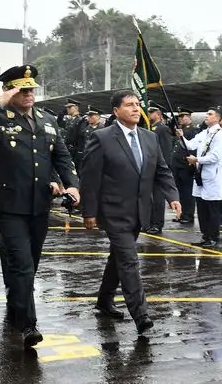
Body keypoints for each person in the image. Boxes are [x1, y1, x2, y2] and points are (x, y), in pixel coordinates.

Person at [0, 64, 79, 348]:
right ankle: (28, 324)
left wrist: (71, 184)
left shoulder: (47, 119)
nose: (28, 94)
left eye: (31, 89)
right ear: (9, 91)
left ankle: (15, 298)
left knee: (29, 260)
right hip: (8, 201)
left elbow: (60, 156)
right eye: (22, 89)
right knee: (22, 262)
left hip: (39, 202)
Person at [80, 91, 180, 333]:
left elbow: (162, 170)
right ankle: (140, 314)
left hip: (139, 210)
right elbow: (90, 177)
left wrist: (173, 197)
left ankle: (104, 301)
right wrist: (89, 212)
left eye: (138, 105)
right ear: (116, 111)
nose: (136, 109)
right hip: (113, 211)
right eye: (130, 105)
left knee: (118, 258)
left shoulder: (149, 138)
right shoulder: (102, 137)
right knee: (129, 260)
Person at [185, 107, 222, 248]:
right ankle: (205, 236)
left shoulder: (221, 135)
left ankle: (213, 237)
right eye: (207, 113)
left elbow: (215, 157)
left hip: (212, 175)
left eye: (210, 114)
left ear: (217, 118)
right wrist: (181, 136)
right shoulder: (204, 133)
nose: (206, 116)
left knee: (211, 208)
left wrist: (196, 160)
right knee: (202, 208)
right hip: (200, 175)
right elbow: (191, 144)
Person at [146, 105, 175, 234]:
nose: (149, 115)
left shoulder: (162, 129)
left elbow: (166, 150)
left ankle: (157, 224)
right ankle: (150, 222)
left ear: (158, 114)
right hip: (149, 167)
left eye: (151, 112)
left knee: (158, 198)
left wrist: (163, 169)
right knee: (150, 198)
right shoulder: (150, 128)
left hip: (158, 168)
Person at [171, 108, 196, 224]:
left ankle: (188, 215)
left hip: (186, 166)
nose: (180, 119)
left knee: (187, 193)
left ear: (189, 117)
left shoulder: (193, 130)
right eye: (179, 117)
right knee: (180, 192)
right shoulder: (180, 130)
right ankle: (181, 214)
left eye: (183, 116)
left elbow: (193, 148)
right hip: (178, 166)